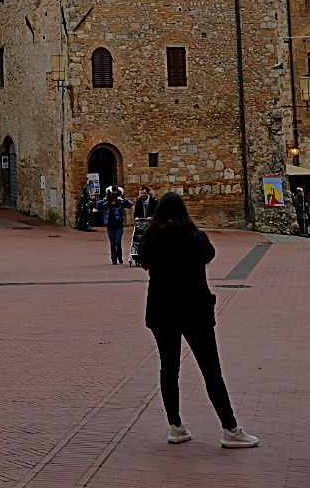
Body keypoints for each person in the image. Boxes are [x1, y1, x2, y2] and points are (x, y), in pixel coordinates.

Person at [133, 193, 258, 449]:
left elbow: (143, 260)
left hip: (162, 310)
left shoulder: (151, 239)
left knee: (169, 369)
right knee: (211, 369)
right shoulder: (194, 237)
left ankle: (175, 426)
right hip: (194, 310)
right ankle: (230, 428)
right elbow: (208, 255)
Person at [104, 185, 131, 265]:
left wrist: (123, 199)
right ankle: (114, 259)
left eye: (114, 201)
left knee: (117, 241)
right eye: (112, 201)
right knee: (112, 242)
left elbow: (129, 205)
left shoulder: (120, 203)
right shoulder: (107, 203)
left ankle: (119, 257)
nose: (113, 203)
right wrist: (102, 201)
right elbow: (98, 207)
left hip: (118, 225)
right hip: (110, 225)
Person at [131, 186, 157, 262]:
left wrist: (152, 217)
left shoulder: (154, 201)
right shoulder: (139, 201)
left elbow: (156, 211)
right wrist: (136, 217)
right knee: (139, 236)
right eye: (142, 193)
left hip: (150, 223)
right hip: (142, 222)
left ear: (148, 193)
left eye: (144, 193)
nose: (142, 195)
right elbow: (136, 211)